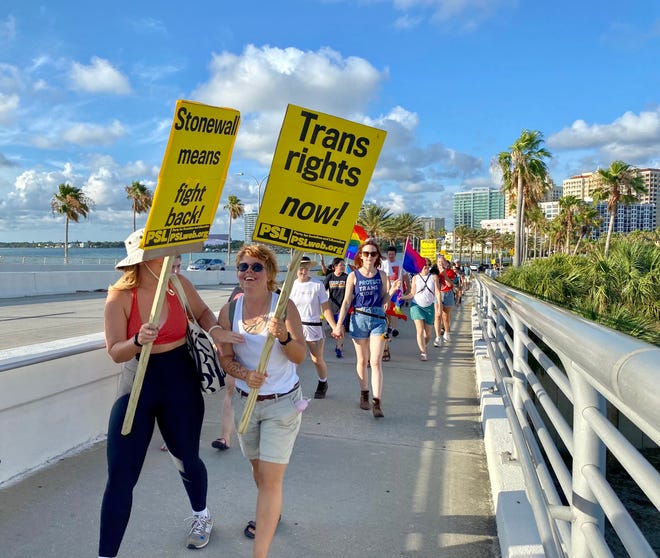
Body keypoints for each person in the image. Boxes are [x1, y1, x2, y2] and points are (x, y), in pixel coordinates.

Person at [100, 229, 240, 556]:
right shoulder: (120, 297)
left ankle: (201, 516)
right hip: (137, 383)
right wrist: (137, 341)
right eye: (169, 255)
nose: (176, 260)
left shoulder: (178, 285)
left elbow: (203, 313)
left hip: (180, 379)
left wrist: (216, 330)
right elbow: (115, 351)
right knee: (120, 474)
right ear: (145, 261)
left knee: (186, 457)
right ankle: (105, 553)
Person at [217, 244, 307, 558]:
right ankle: (272, 510)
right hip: (246, 403)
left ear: (269, 272)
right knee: (259, 473)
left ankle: (260, 553)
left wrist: (282, 336)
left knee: (270, 480)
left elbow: (300, 356)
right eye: (243, 267)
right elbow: (225, 359)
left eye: (257, 267)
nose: (249, 272)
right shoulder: (230, 310)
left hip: (282, 404)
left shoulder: (284, 306)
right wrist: (243, 372)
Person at [333, 239, 399, 418]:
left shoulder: (382, 275)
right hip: (359, 318)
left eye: (373, 254)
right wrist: (339, 325)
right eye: (366, 253)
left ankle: (377, 402)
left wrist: (392, 291)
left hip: (378, 319)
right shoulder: (353, 276)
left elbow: (384, 300)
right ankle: (364, 393)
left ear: (377, 256)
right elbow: (347, 301)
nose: (369, 257)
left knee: (375, 362)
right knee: (362, 361)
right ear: (360, 256)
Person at [289, 255, 338, 399]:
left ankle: (323, 382)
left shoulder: (317, 285)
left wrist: (334, 327)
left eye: (306, 268)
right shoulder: (291, 285)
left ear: (310, 268)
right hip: (295, 327)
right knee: (292, 360)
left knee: (317, 359)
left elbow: (326, 308)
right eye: (300, 268)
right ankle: (289, 388)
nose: (303, 271)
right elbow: (285, 307)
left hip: (313, 326)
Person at [401, 258, 442, 360]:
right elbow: (412, 293)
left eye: (428, 264)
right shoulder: (415, 278)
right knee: (420, 330)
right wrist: (402, 297)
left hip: (429, 307)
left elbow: (437, 292)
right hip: (416, 306)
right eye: (424, 264)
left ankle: (424, 344)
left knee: (428, 334)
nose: (426, 266)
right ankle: (423, 352)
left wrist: (439, 306)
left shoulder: (434, 277)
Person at [323, 257, 350, 358]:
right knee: (334, 328)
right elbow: (322, 290)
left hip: (343, 308)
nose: (343, 267)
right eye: (340, 265)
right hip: (331, 307)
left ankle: (339, 347)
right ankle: (339, 343)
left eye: (343, 265)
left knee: (341, 326)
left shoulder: (347, 277)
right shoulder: (330, 277)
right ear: (334, 267)